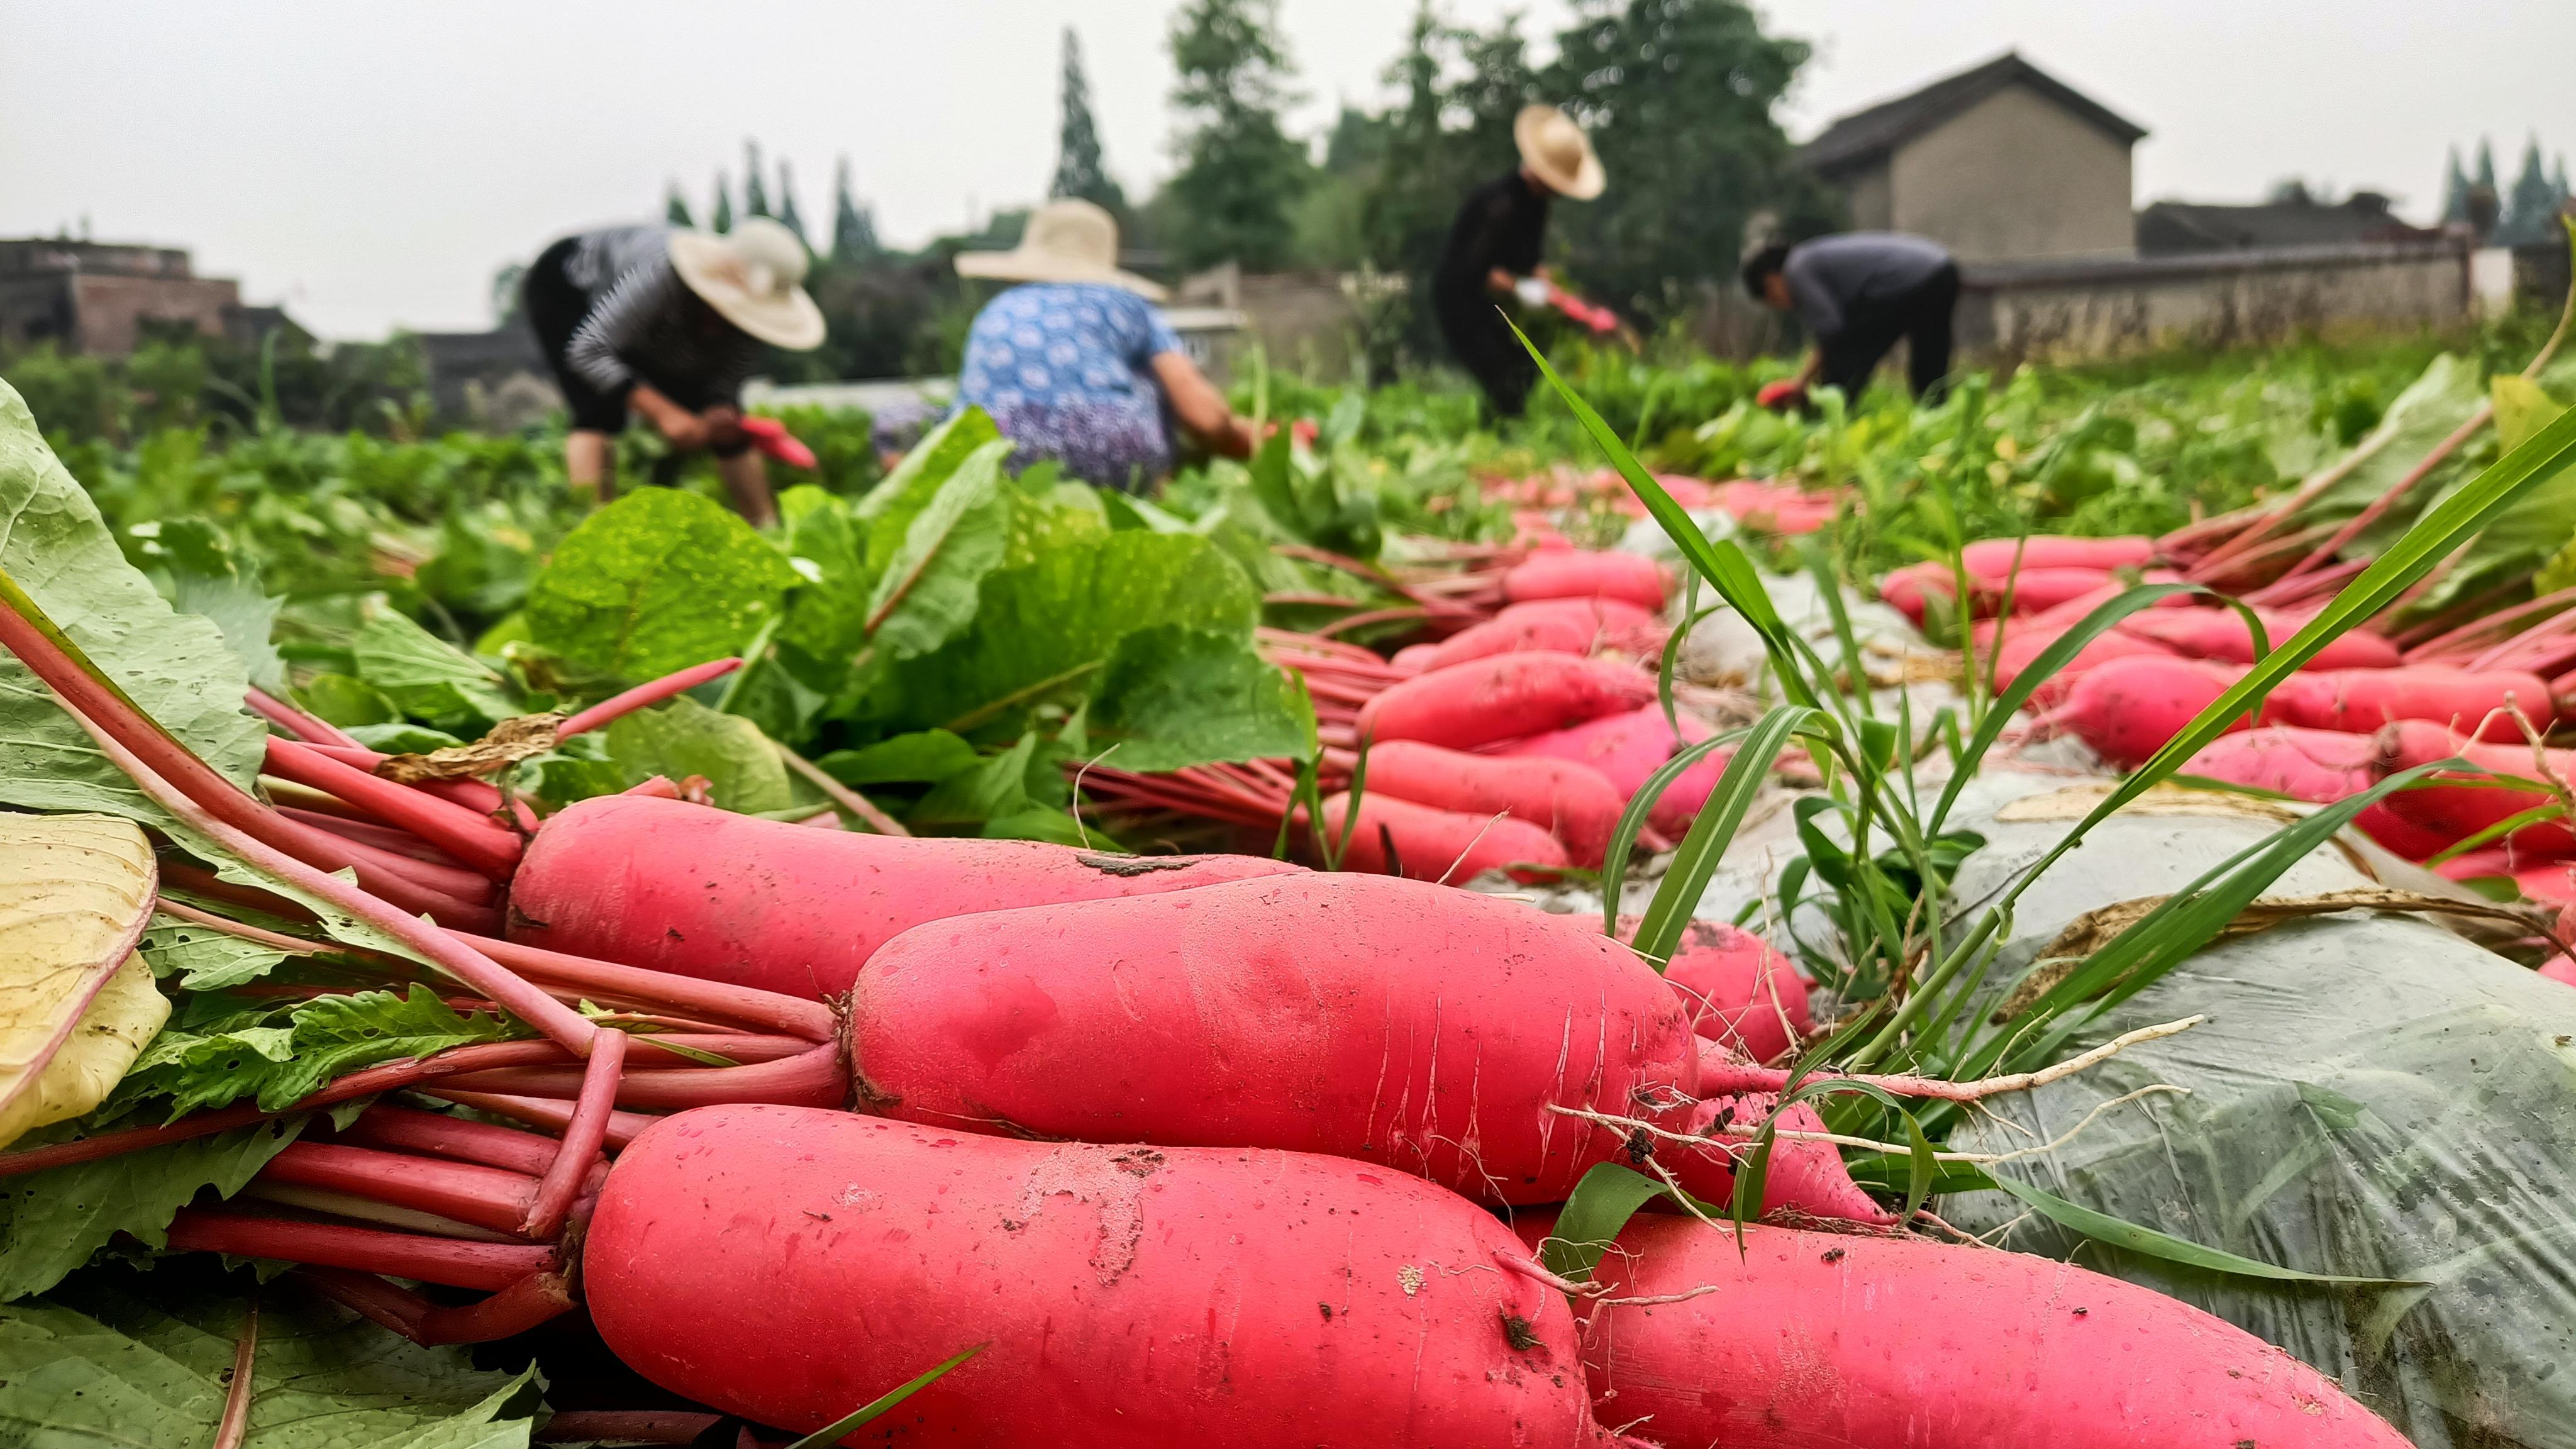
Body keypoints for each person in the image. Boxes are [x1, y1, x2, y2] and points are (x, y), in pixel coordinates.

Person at [523, 216, 823, 527]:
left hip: (655, 322)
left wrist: (718, 411)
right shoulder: (660, 276)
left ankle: (768, 531)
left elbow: (724, 382)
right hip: (570, 286)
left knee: (729, 427)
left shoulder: (752, 327)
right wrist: (665, 413)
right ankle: (593, 531)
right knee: (598, 412)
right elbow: (589, 351)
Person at [951, 199, 1257, 492]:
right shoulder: (1126, 304)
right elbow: (1203, 417)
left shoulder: (998, 308)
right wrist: (1239, 436)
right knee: (1152, 379)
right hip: (1101, 449)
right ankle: (1154, 492)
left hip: (986, 455)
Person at [1432, 104, 1606, 419]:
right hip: (1463, 300)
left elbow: (1529, 262)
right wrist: (1529, 292)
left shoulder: (1536, 206)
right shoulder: (1499, 204)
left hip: (1496, 300)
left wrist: (1567, 299)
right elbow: (1481, 273)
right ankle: (1493, 443)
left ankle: (1496, 436)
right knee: (1502, 375)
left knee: (1526, 369)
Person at [1740, 232, 1960, 409]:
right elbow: (1835, 332)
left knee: (1849, 361)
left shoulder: (1796, 268)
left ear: (1770, 282)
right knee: (1929, 361)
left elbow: (1832, 332)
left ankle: (1830, 420)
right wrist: (1802, 381)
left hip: (1905, 282)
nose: (1784, 306)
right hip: (1941, 270)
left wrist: (1808, 385)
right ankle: (1938, 419)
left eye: (1774, 299)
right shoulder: (1810, 258)